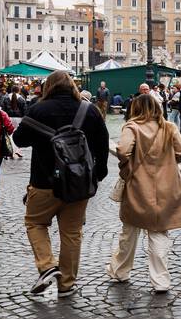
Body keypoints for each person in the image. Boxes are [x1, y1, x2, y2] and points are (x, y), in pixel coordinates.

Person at [13, 70, 111, 298]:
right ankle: (66, 284)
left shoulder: (38, 109)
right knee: (72, 233)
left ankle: (47, 266)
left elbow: (19, 139)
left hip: (43, 181)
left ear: (49, 87)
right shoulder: (89, 110)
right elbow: (102, 143)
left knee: (35, 223)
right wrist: (98, 173)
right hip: (78, 183)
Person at [107, 92, 181, 293]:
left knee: (129, 232)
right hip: (167, 184)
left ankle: (120, 271)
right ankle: (161, 281)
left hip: (138, 185)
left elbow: (124, 151)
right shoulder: (169, 127)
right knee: (159, 231)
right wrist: (169, 161)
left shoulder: (132, 127)